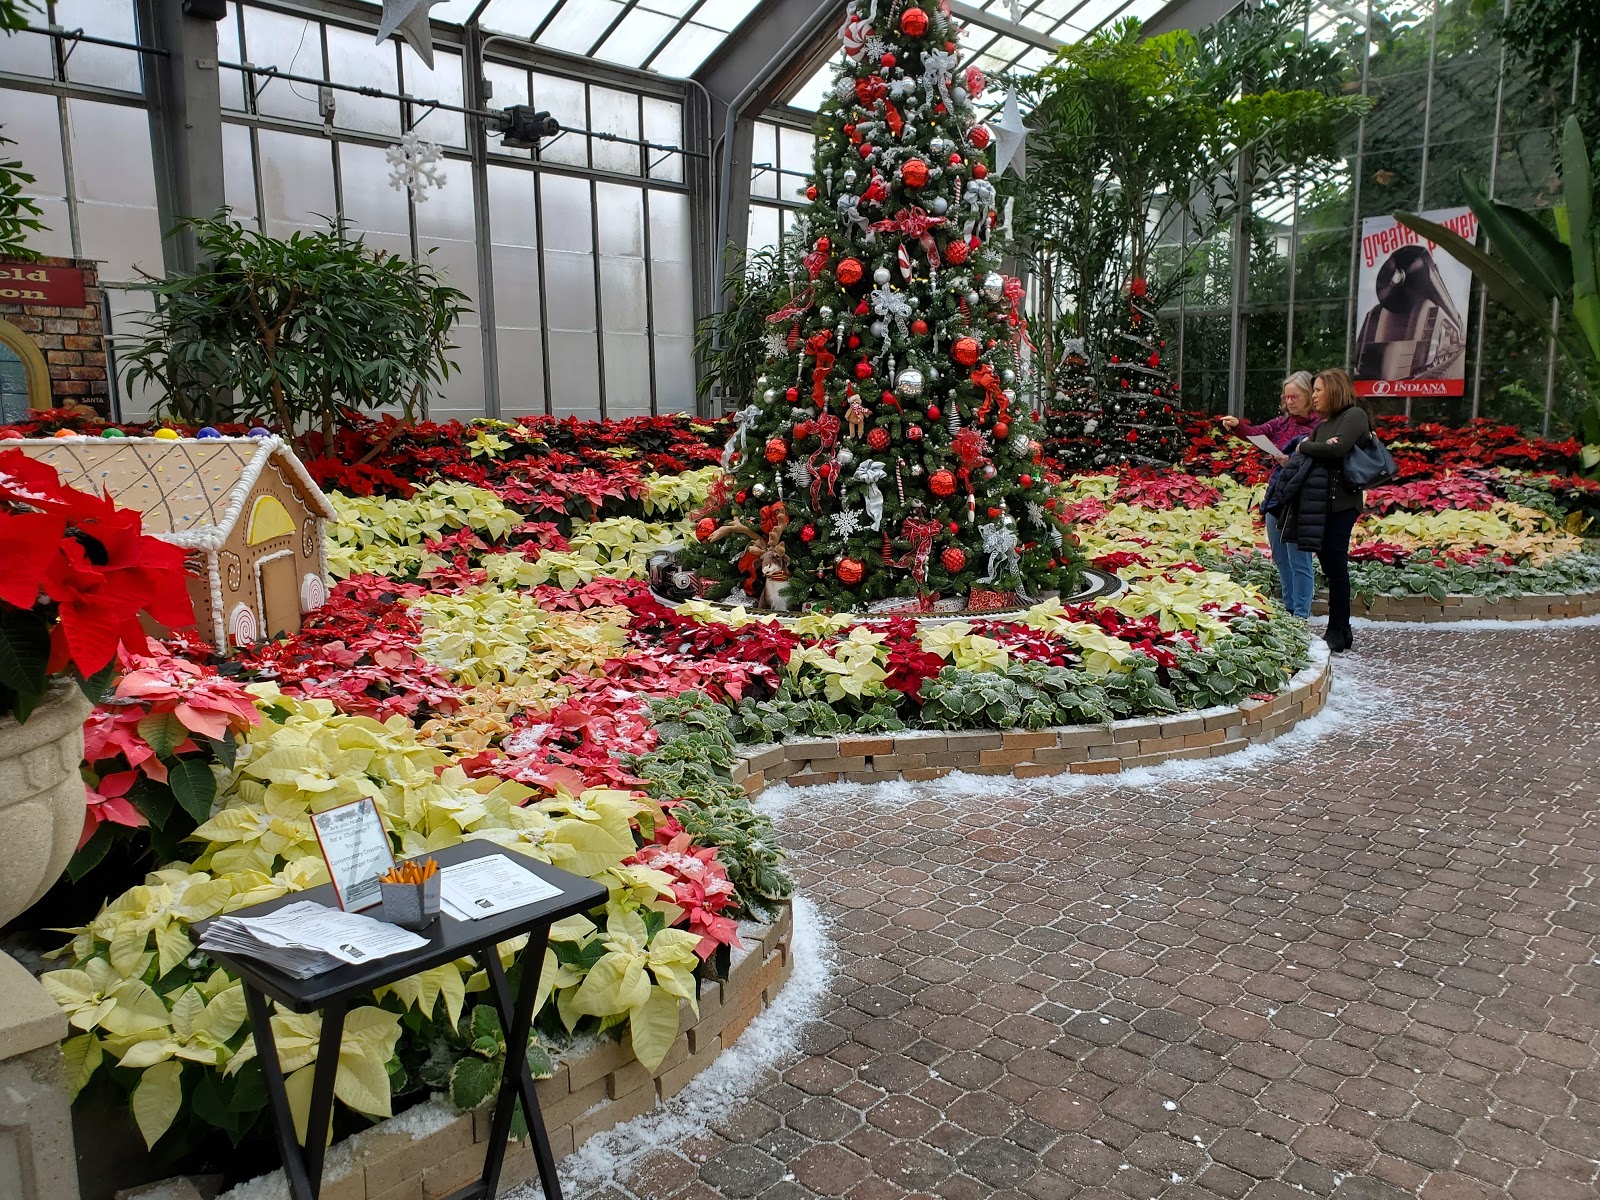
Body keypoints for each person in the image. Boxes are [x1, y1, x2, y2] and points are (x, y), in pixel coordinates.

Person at [1218, 373, 1319, 617]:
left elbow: (1321, 460)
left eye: (1296, 396)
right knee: (1281, 558)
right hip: (1277, 496)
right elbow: (1254, 433)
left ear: (1309, 395)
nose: (1290, 401)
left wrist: (1291, 461)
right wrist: (1236, 426)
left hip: (1303, 499)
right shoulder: (1281, 424)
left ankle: (1301, 616)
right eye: (1287, 397)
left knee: (1299, 560)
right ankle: (1289, 609)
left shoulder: (1321, 427)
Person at [1286, 368, 1370, 653]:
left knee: (1336, 567)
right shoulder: (1323, 426)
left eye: (1319, 390)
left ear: (1334, 390)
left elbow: (1338, 450)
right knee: (1329, 566)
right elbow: (1314, 451)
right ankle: (1342, 630)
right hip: (1321, 504)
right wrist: (1314, 446)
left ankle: (1336, 630)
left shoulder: (1354, 416)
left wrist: (1310, 446)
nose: (1315, 395)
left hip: (1343, 503)